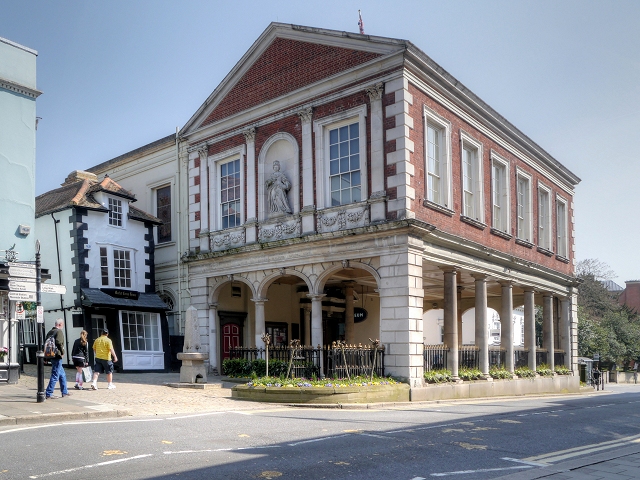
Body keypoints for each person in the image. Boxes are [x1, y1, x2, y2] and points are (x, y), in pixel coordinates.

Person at [45, 319, 70, 399]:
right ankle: (49, 393)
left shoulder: (50, 332)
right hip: (57, 355)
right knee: (55, 374)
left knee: (62, 374)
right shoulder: (59, 332)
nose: (62, 326)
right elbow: (59, 342)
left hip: (51, 355)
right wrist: (62, 352)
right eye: (62, 324)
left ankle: (65, 392)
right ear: (60, 324)